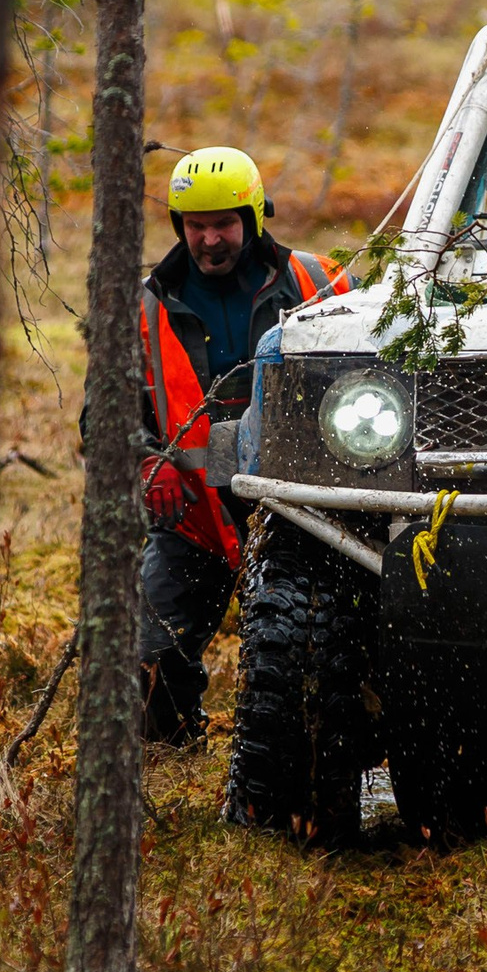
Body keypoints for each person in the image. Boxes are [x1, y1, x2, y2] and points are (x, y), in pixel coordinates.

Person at [133, 145, 353, 750]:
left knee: (323, 650)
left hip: (306, 510)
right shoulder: (144, 306)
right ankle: (173, 759)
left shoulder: (323, 280)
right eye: (195, 226)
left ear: (255, 219)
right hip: (195, 517)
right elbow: (103, 417)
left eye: (224, 224)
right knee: (150, 654)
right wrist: (148, 461)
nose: (209, 240)